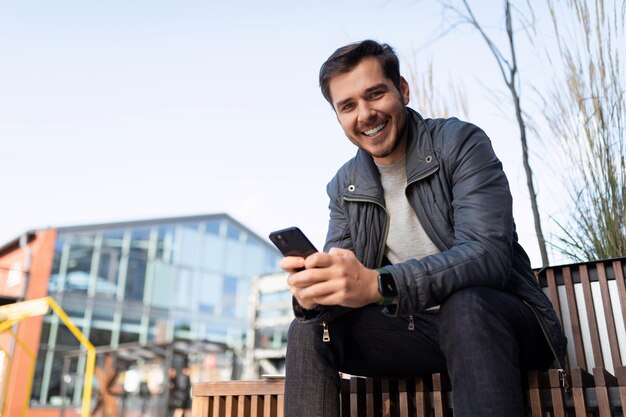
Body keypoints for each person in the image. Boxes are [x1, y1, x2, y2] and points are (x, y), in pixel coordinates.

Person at [279, 39, 567, 417]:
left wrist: (380, 284)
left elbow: (488, 255)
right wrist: (314, 294)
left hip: (499, 325)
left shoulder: (461, 143)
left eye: (375, 94)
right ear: (337, 116)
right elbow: (344, 272)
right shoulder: (344, 186)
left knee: (466, 306)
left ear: (402, 90)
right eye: (347, 106)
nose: (364, 114)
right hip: (415, 334)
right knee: (307, 328)